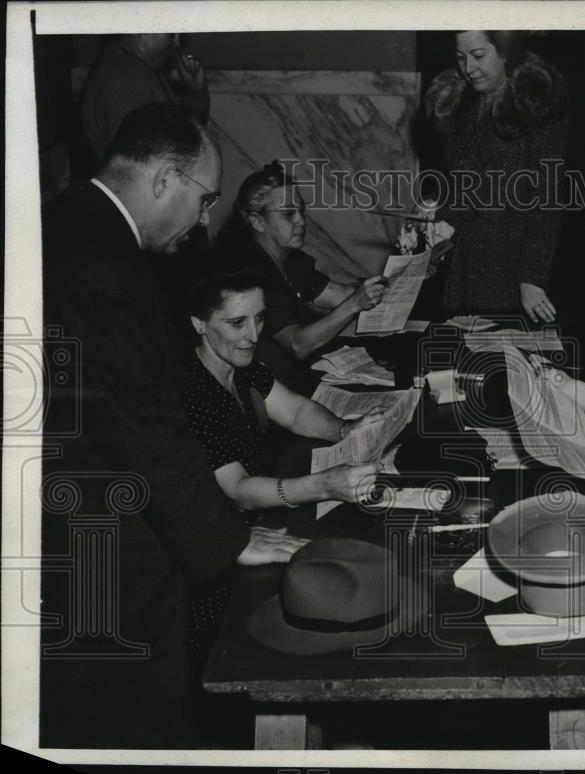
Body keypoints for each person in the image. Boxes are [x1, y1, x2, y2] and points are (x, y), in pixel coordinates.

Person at [40, 103, 373, 749]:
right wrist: (224, 539)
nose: (201, 222)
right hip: (94, 530)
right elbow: (142, 425)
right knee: (132, 714)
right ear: (165, 178)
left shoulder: (73, 227)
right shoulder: (99, 258)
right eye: (204, 199)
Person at [181, 268, 384, 511]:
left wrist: (345, 430)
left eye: (259, 318)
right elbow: (237, 492)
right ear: (199, 325)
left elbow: (295, 411)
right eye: (237, 323)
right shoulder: (193, 393)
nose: (254, 335)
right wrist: (323, 485)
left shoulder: (242, 367)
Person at [424, 30, 570, 321]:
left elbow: (548, 202)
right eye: (460, 58)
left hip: (510, 265)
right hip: (460, 260)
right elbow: (459, 186)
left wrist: (532, 278)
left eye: (479, 56)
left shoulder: (537, 106)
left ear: (507, 52)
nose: (468, 69)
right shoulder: (457, 104)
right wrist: (432, 223)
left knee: (500, 358)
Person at [214, 161, 388, 374]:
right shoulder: (250, 275)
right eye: (288, 214)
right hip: (272, 390)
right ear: (257, 221)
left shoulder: (293, 262)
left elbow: (340, 293)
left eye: (301, 212)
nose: (301, 221)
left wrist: (401, 277)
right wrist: (355, 304)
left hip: (301, 376)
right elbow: (298, 344)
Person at [81, 34, 210, 165]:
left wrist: (195, 92)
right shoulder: (129, 79)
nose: (177, 44)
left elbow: (183, 137)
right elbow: (135, 167)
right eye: (170, 35)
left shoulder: (135, 66)